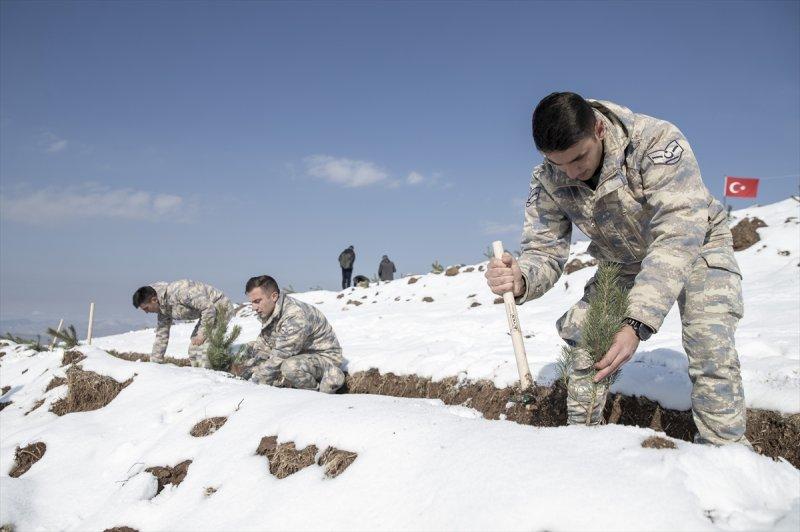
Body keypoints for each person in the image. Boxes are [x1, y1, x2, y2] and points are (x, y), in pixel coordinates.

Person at [485, 92, 748, 446]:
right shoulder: (549, 177)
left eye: (579, 158)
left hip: (696, 245)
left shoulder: (654, 140)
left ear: (598, 129)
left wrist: (635, 322)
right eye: (559, 163)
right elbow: (545, 251)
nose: (571, 172)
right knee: (586, 349)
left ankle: (724, 457)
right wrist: (521, 278)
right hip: (621, 263)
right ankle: (582, 448)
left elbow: (677, 231)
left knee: (710, 350)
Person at [238, 275, 345, 393]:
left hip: (325, 357)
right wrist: (253, 369)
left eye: (257, 301)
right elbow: (265, 344)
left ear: (274, 296)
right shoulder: (272, 310)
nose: (254, 308)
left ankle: (315, 393)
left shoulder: (295, 315)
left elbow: (280, 356)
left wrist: (254, 382)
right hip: (299, 352)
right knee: (251, 347)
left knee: (290, 367)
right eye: (252, 302)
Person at [132, 280, 234, 368]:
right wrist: (154, 364)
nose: (146, 312)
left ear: (154, 300)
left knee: (200, 349)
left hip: (220, 307)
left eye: (146, 308)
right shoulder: (162, 308)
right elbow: (161, 336)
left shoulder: (179, 293)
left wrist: (202, 334)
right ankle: (207, 374)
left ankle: (217, 376)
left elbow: (208, 307)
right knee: (195, 348)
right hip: (209, 312)